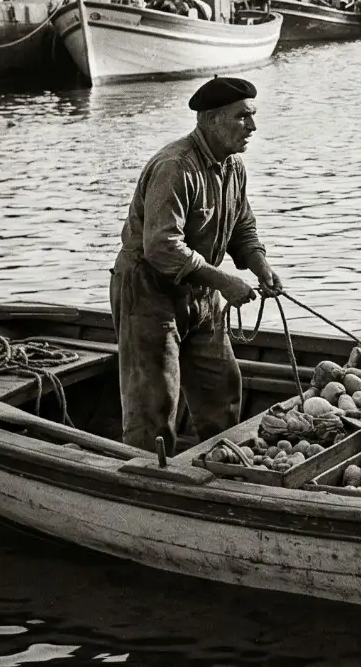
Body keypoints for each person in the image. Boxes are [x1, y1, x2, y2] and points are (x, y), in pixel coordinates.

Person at [111, 77, 283, 452]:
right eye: (242, 117)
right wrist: (225, 281)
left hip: (201, 293)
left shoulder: (233, 168)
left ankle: (220, 468)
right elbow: (161, 246)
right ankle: (148, 483)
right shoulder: (175, 167)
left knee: (223, 389)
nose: (252, 127)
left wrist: (260, 265)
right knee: (154, 408)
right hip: (149, 291)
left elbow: (242, 228)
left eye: (253, 116)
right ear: (210, 119)